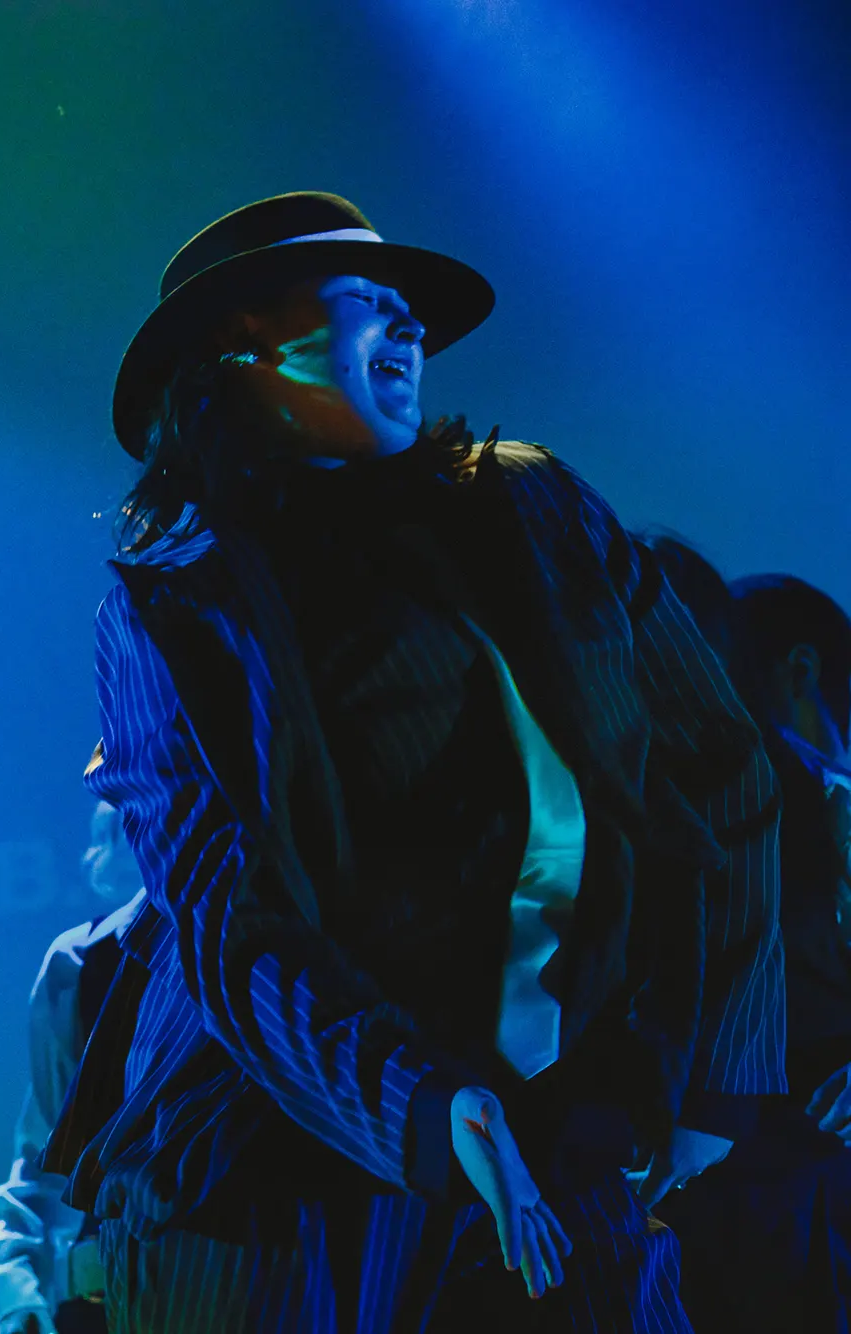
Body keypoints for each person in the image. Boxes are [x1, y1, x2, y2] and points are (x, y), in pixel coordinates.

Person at [41, 192, 783, 1331]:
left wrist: (718, 1075)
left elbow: (722, 766)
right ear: (243, 346)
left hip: (569, 1129)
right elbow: (229, 927)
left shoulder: (535, 506)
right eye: (365, 302)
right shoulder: (178, 608)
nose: (410, 328)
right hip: (279, 1182)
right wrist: (423, 1106)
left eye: (410, 310)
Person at [651, 560, 851, 1330]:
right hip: (794, 1189)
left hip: (689, 1182)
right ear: (801, 670)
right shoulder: (818, 799)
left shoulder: (643, 787)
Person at [0, 793, 148, 1334]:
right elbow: (45, 1154)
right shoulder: (82, 965)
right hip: (105, 1302)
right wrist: (18, 1284)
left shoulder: (257, 954)